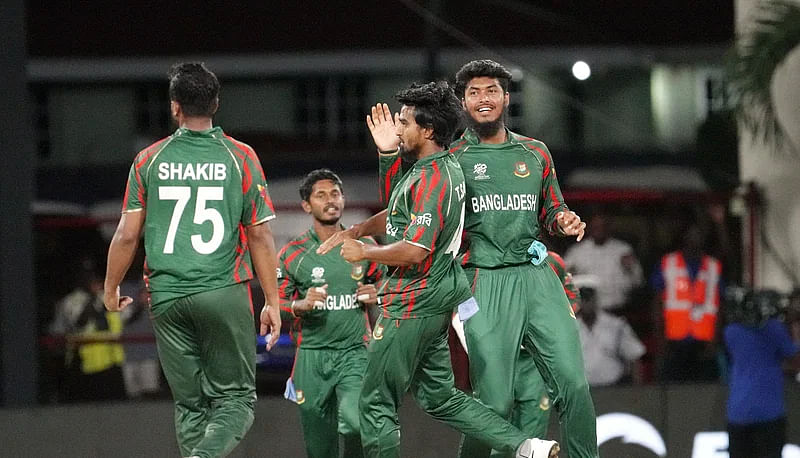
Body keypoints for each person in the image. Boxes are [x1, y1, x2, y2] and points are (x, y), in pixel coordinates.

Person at [319, 81, 559, 458]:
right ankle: (526, 445)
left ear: (427, 130)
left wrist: (365, 252)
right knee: (439, 396)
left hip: (411, 301)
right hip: (438, 297)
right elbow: (401, 213)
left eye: (404, 122)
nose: (398, 129)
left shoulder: (432, 177)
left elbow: (415, 250)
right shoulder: (437, 167)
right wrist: (360, 227)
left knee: (375, 403)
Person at [373, 59, 596, 457]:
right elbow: (399, 212)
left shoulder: (536, 152)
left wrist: (563, 220)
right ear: (462, 102)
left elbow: (551, 210)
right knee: (495, 403)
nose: (483, 99)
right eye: (474, 92)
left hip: (538, 276)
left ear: (506, 98)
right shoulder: (450, 158)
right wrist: (388, 155)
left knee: (575, 387)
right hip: (483, 282)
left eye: (491, 90)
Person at [103, 62, 281, 458]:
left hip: (165, 296)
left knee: (190, 405)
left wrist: (111, 287)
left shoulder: (148, 159)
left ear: (174, 108)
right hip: (222, 291)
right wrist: (272, 299)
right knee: (235, 402)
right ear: (216, 103)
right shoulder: (240, 157)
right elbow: (259, 234)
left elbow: (127, 234)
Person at [278, 168, 383, 458]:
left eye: (335, 193)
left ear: (343, 199)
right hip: (311, 356)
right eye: (321, 195)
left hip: (355, 352)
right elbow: (277, 306)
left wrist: (378, 293)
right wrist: (302, 305)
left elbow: (390, 284)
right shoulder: (293, 253)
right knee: (318, 448)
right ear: (306, 205)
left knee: (355, 424)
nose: (330, 200)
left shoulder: (365, 246)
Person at [451, 250, 581, 456]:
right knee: (493, 424)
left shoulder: (549, 262)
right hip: (496, 358)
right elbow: (459, 312)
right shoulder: (469, 264)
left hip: (533, 364)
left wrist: (543, 331)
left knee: (533, 434)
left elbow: (571, 297)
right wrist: (485, 347)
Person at [724, 289, 800, 458]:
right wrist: (794, 329)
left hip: (738, 414)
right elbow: (795, 362)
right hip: (769, 415)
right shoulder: (774, 330)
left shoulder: (731, 332)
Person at [651, 224, 722, 382]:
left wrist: (714, 340)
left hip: (704, 341)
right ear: (684, 238)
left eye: (699, 236)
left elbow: (718, 306)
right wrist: (660, 338)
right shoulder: (668, 263)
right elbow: (657, 302)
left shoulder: (713, 266)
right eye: (692, 236)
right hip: (674, 340)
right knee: (673, 387)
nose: (696, 240)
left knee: (704, 389)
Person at [49, 257, 127, 402]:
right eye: (86, 276)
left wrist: (140, 305)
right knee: (86, 404)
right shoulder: (71, 300)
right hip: (82, 363)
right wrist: (92, 299)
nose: (91, 279)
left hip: (111, 362)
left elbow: (126, 315)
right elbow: (79, 322)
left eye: (93, 275)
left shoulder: (105, 295)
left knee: (114, 404)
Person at [573, 275, 646, 386]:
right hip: (581, 392)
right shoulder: (568, 328)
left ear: (596, 298)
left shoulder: (616, 325)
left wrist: (637, 392)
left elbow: (635, 356)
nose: (586, 302)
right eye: (582, 298)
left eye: (589, 297)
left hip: (613, 390)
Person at [564, 212, 643, 312]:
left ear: (609, 228)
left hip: (617, 310)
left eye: (603, 226)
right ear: (589, 228)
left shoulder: (623, 250)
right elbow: (563, 279)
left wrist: (630, 268)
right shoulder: (576, 252)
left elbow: (638, 281)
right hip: (586, 312)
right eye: (595, 227)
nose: (599, 230)